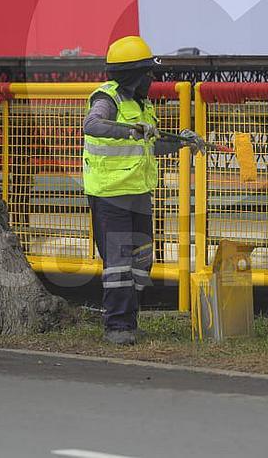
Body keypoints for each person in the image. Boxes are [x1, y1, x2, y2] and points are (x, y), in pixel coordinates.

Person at [82, 35, 206, 345]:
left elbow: (148, 146)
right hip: (111, 195)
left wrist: (181, 141)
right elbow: (92, 125)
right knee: (119, 263)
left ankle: (129, 318)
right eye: (147, 72)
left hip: (138, 193)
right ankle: (117, 325)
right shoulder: (107, 98)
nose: (152, 78)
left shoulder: (142, 105)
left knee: (141, 261)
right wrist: (131, 130)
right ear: (132, 75)